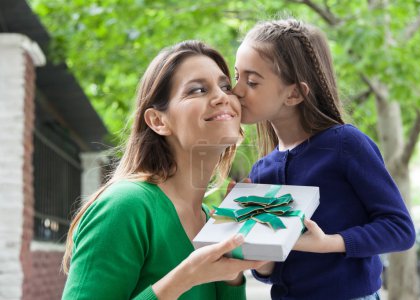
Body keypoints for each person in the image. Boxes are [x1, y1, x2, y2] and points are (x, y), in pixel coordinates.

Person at [61, 40, 266, 300]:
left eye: (225, 86)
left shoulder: (209, 221)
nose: (222, 97)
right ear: (158, 121)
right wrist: (186, 277)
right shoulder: (125, 206)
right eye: (198, 90)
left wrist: (231, 271)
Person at [232, 19, 416, 300]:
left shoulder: (345, 144)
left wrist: (328, 243)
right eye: (236, 76)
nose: (236, 91)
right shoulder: (262, 169)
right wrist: (250, 239)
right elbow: (269, 269)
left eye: (252, 81)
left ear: (294, 93)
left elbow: (400, 230)